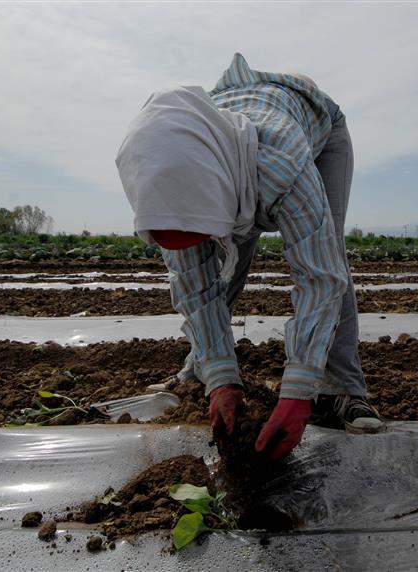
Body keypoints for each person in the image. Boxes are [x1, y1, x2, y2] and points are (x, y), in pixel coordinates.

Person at [116, 53, 384, 461]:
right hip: (229, 153)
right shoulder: (170, 183)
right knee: (219, 272)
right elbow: (196, 288)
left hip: (316, 132)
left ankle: (344, 389)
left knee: (331, 256)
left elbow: (319, 277)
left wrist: (298, 392)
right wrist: (222, 379)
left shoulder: (282, 165)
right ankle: (201, 369)